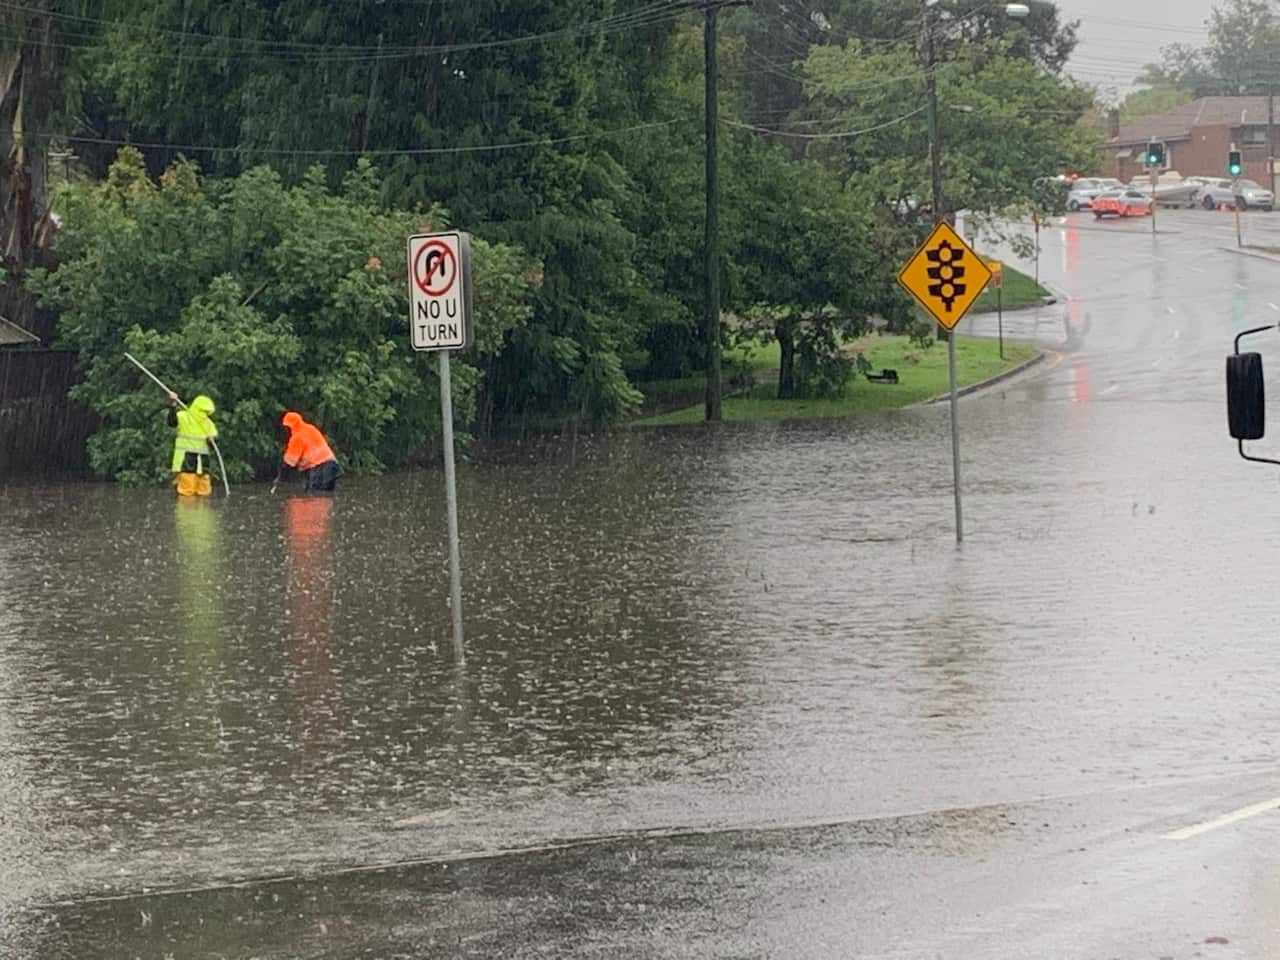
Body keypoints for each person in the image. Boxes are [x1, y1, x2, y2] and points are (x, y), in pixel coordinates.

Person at [168, 392, 218, 497]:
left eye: (206, 412)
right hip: (187, 460)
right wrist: (173, 405)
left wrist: (212, 439)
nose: (203, 414)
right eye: (202, 411)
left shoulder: (208, 423)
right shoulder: (184, 416)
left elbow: (215, 440)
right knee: (187, 491)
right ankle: (187, 512)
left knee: (202, 491)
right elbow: (172, 422)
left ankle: (199, 511)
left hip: (203, 463)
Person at [280, 411, 340, 492]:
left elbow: (289, 463)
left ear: (289, 427)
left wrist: (279, 478)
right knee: (326, 497)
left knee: (313, 497)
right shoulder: (310, 428)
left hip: (319, 469)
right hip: (332, 465)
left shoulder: (297, 438)